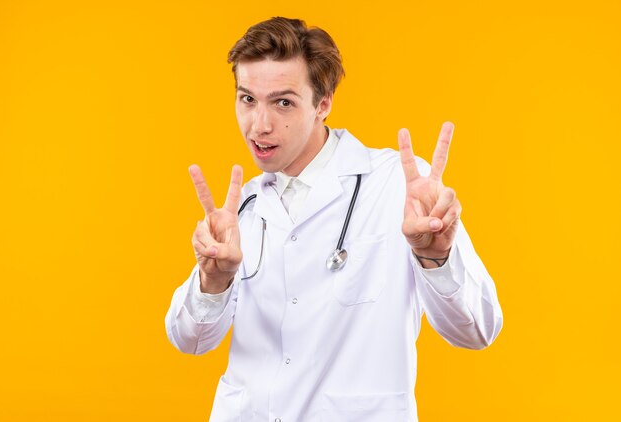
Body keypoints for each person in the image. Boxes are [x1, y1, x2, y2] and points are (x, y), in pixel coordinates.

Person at [165, 17, 502, 422]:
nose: (260, 125)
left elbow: (478, 331)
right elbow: (190, 340)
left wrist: (437, 257)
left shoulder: (398, 187)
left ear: (323, 104)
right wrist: (212, 281)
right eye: (247, 99)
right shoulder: (244, 206)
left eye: (283, 102)